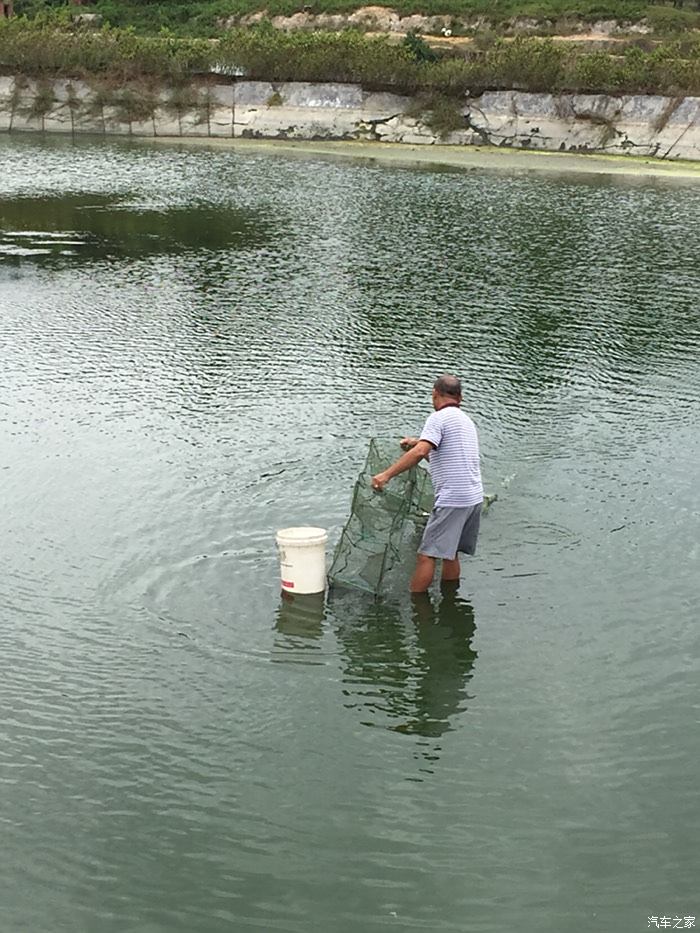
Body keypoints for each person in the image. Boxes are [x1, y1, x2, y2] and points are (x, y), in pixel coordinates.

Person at [371, 374, 483, 593]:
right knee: (450, 553)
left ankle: (418, 609)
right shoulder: (466, 421)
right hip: (473, 498)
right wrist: (416, 444)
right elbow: (441, 456)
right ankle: (451, 598)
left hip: (453, 499)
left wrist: (386, 475)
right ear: (460, 398)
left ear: (434, 394)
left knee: (426, 555)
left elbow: (422, 451)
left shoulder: (438, 418)